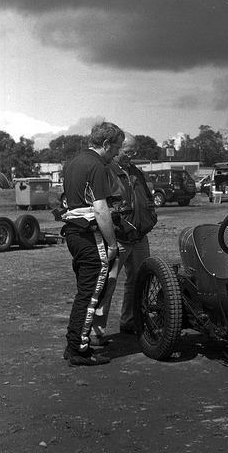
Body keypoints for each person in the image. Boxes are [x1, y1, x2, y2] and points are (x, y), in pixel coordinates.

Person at [60, 121, 124, 366]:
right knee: (90, 295)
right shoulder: (96, 165)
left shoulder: (74, 162)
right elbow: (100, 209)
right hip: (89, 236)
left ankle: (74, 344)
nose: (116, 153)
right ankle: (78, 349)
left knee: (84, 293)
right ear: (105, 144)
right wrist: (113, 244)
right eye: (115, 148)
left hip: (73, 234)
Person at [92, 133, 157, 341]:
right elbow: (100, 205)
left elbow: (148, 198)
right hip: (118, 238)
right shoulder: (105, 172)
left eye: (134, 152)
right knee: (107, 283)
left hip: (140, 237)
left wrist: (150, 217)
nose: (132, 156)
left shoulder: (136, 172)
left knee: (139, 282)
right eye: (128, 152)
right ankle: (96, 332)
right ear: (118, 148)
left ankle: (130, 321)